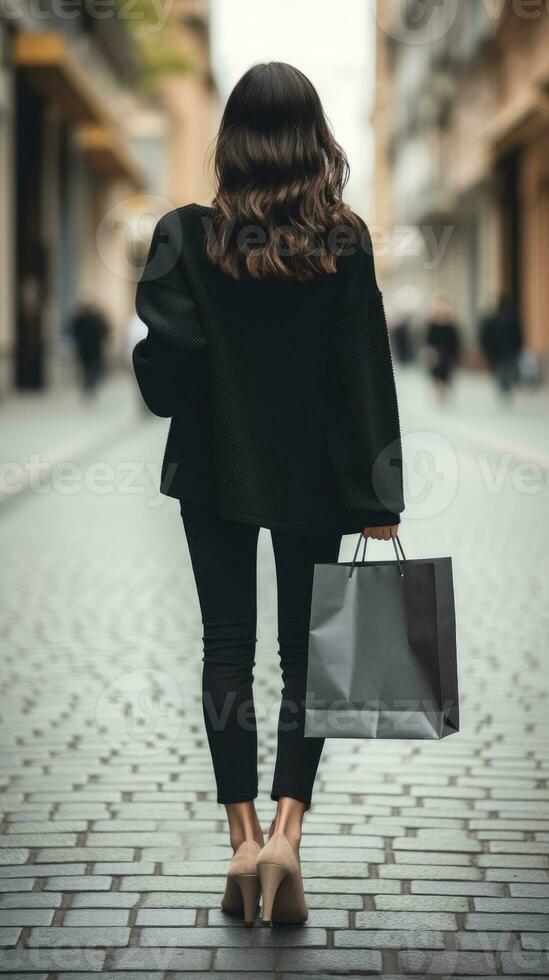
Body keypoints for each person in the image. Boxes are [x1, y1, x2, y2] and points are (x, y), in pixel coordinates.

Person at [132, 62, 404, 926]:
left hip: (213, 469)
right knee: (307, 658)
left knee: (225, 649)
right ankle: (289, 836)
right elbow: (367, 375)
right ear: (311, 140)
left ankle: (243, 841)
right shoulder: (343, 242)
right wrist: (378, 494)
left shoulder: (184, 236)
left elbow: (163, 381)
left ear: (232, 142)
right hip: (317, 476)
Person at [479, 295, 522, 397]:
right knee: (507, 369)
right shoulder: (512, 319)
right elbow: (518, 335)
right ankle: (506, 386)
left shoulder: (492, 319)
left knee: (501, 369)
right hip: (508, 350)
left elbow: (485, 336)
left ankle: (504, 385)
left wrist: (487, 349)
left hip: (497, 351)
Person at [424, 294, 461, 400]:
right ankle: (438, 393)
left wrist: (456, 354)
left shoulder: (451, 325)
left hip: (447, 354)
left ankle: (443, 393)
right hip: (435, 354)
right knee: (436, 374)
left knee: (445, 375)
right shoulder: (432, 324)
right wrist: (429, 351)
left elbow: (455, 341)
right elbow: (429, 340)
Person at [68, 303, 109, 396]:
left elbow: (104, 330)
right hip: (90, 348)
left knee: (89, 368)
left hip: (89, 348)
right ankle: (89, 385)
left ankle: (89, 385)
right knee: (89, 368)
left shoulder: (94, 320)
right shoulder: (92, 320)